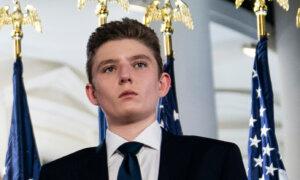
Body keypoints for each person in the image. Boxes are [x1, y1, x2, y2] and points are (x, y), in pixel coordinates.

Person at [39, 18, 247, 180]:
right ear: (92, 93)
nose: (125, 76)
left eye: (139, 64)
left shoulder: (216, 160)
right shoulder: (58, 174)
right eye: (109, 68)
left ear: (162, 84)